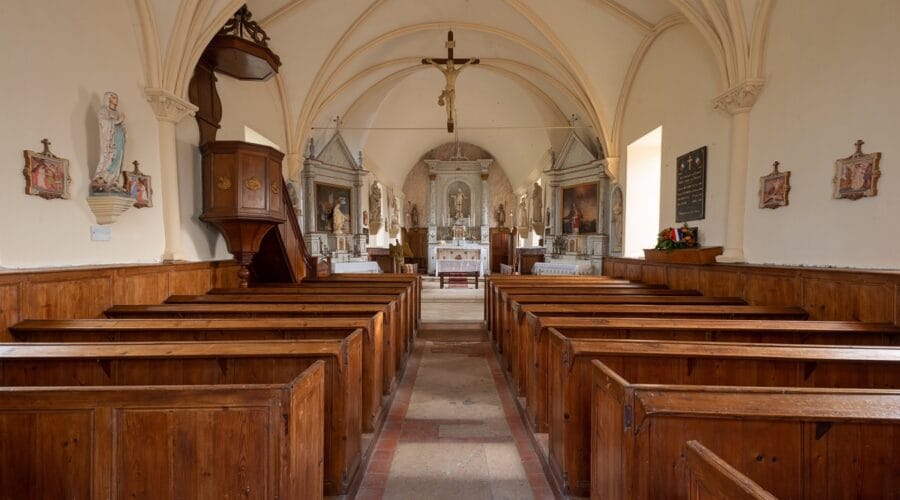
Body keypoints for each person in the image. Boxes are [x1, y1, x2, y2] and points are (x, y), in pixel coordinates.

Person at [422, 57, 478, 131]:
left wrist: (470, 61)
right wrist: (431, 61)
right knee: (448, 105)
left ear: (453, 65)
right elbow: (438, 67)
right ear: (447, 65)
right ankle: (449, 118)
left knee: (452, 105)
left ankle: (452, 118)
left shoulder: (456, 72)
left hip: (452, 90)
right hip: (447, 90)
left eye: (450, 63)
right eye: (448, 64)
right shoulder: (446, 72)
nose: (449, 65)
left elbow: (463, 66)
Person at [92, 92, 127, 192]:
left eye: (116, 97)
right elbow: (103, 122)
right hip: (110, 139)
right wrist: (118, 121)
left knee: (118, 158)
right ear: (108, 99)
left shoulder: (116, 112)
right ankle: (103, 178)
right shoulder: (104, 110)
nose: (116, 99)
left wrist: (122, 125)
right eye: (114, 97)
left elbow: (119, 124)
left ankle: (112, 180)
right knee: (110, 157)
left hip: (119, 137)